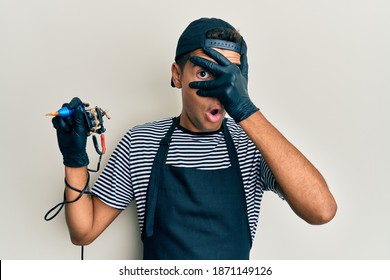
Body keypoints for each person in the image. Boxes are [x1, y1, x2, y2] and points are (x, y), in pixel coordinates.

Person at [51, 17, 337, 260]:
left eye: (229, 79)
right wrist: (74, 160)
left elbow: (322, 210)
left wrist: (245, 109)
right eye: (204, 73)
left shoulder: (254, 144)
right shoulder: (141, 142)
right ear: (177, 75)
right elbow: (83, 232)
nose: (219, 91)